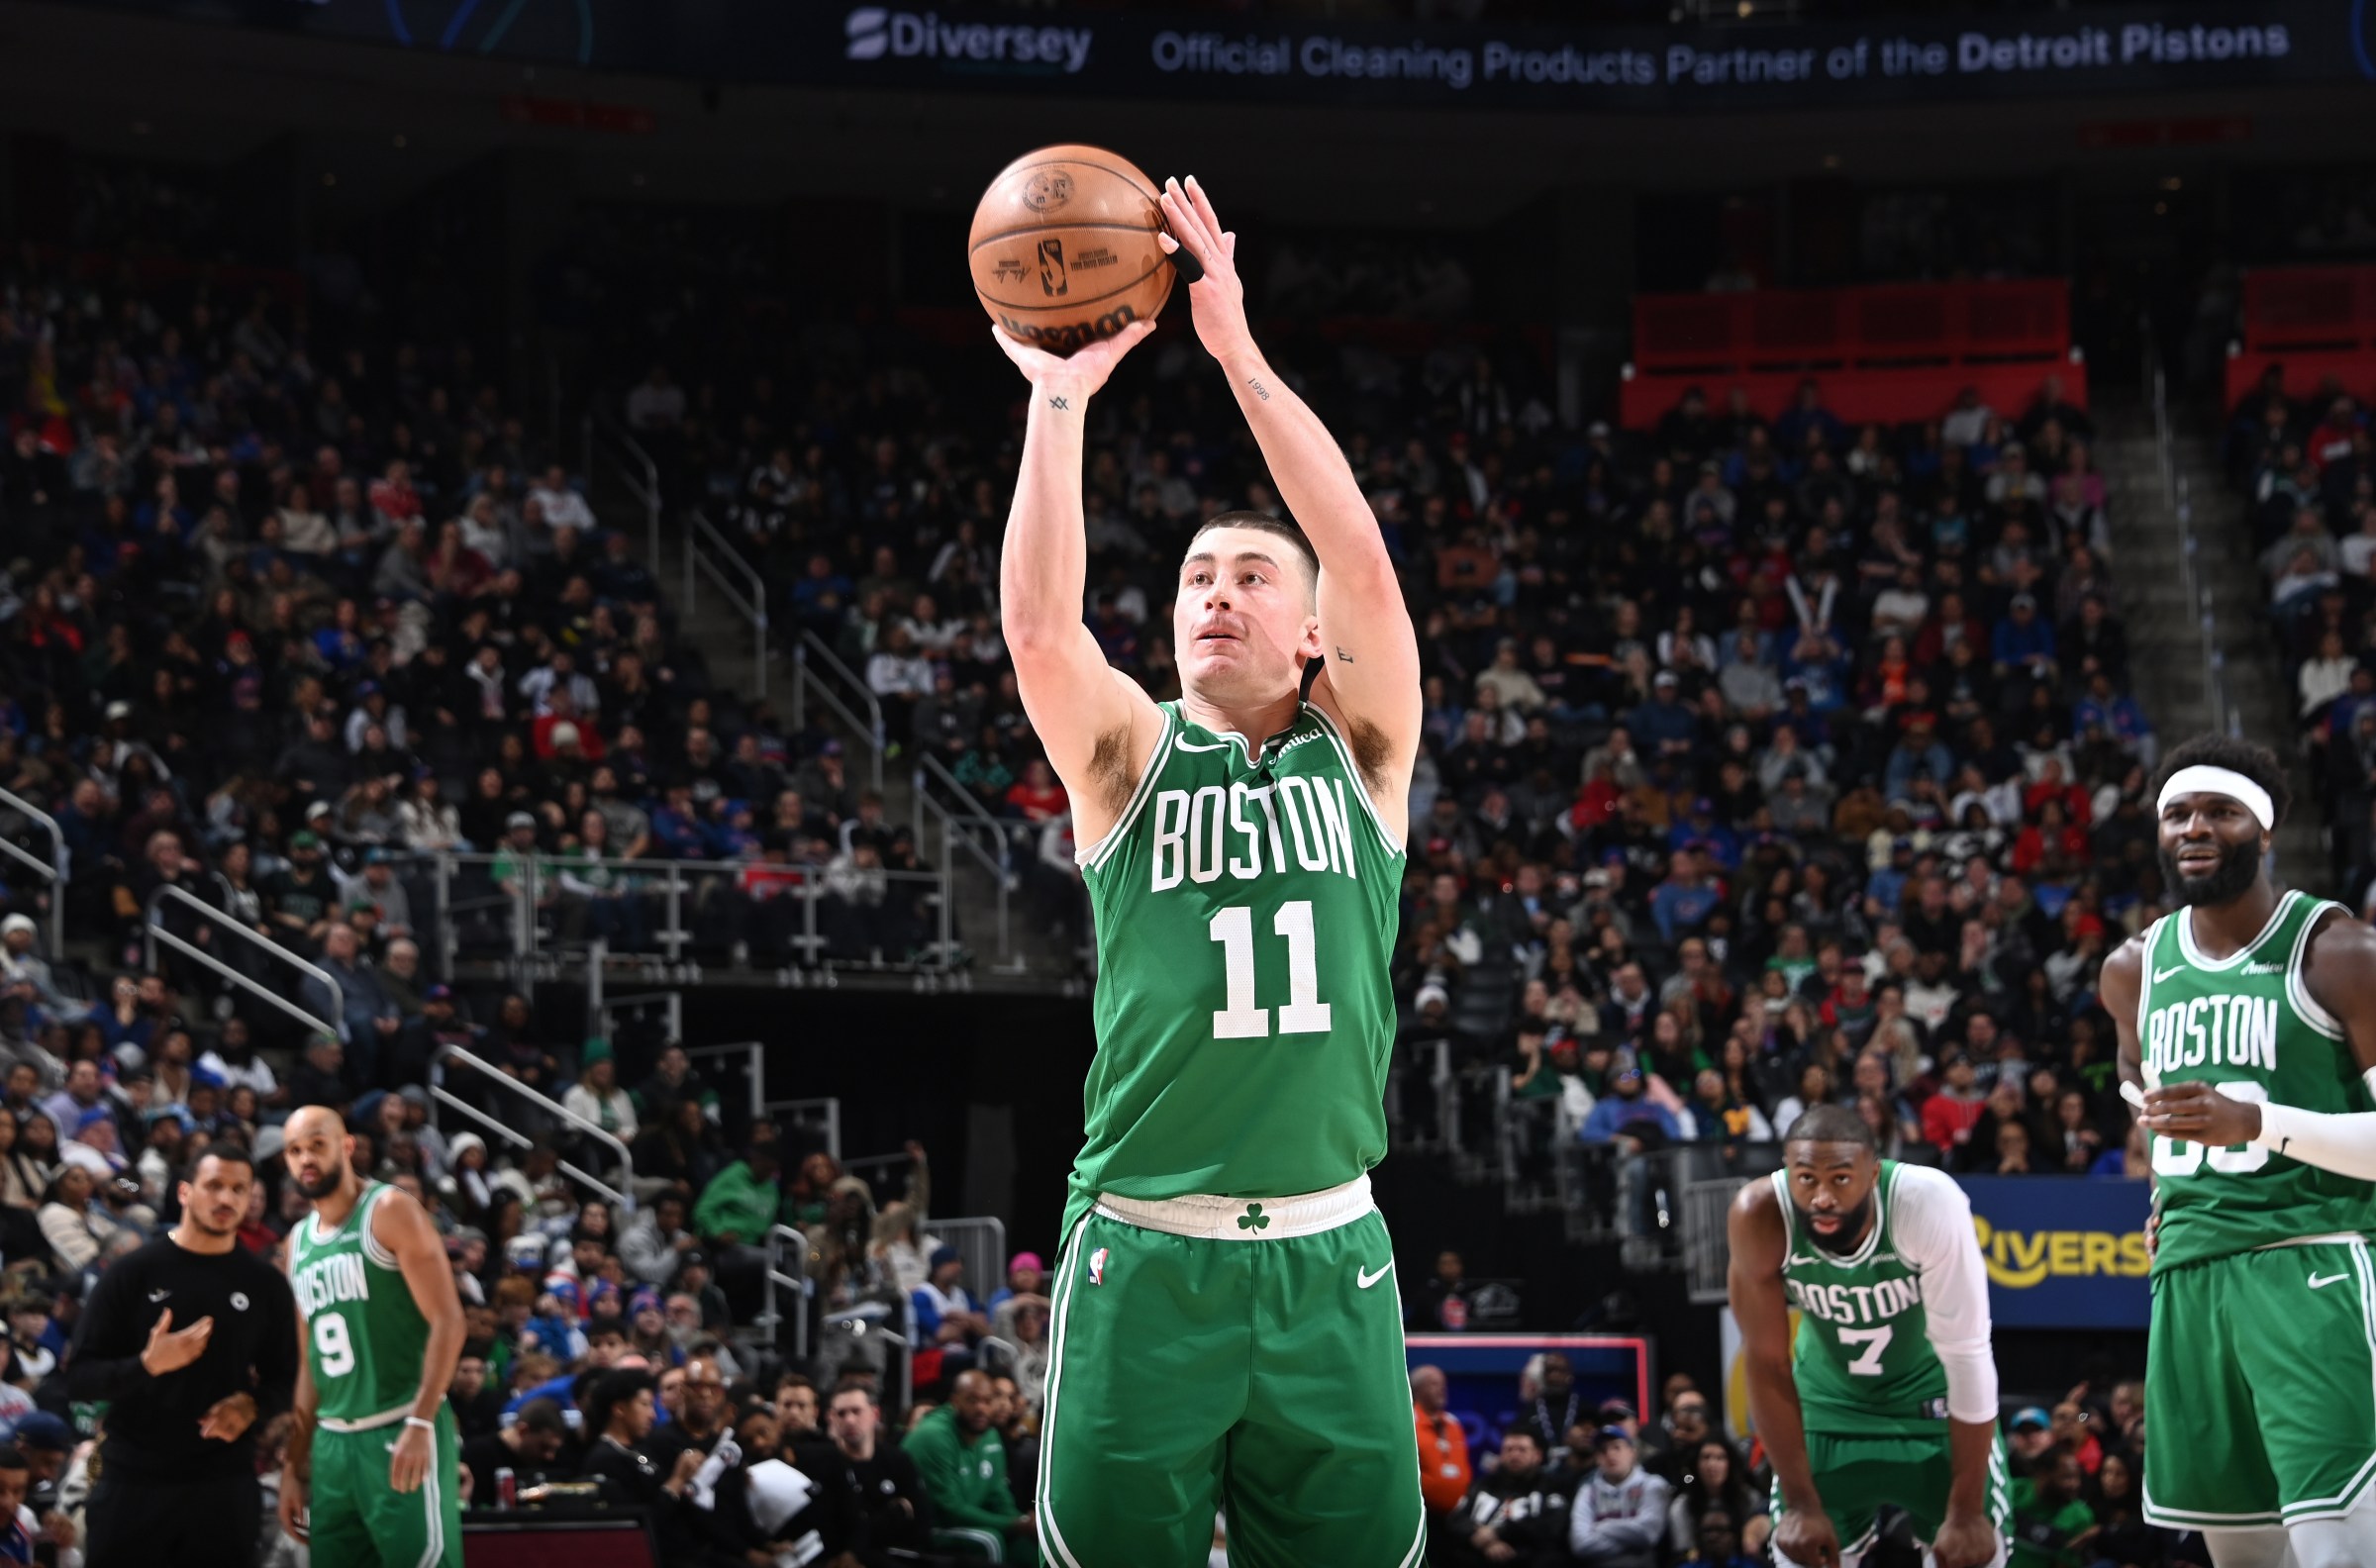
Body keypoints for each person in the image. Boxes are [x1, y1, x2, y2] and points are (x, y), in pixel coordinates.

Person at [996, 175, 1426, 1565]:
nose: (1217, 594)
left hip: (1327, 1249)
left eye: (1249, 576)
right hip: (1147, 1246)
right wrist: (1057, 401)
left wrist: (1234, 347)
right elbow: (1040, 632)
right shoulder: (1129, 754)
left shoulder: (1364, 748)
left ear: (1310, 633)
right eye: (1195, 579)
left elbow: (1360, 556)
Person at [2101, 736, 2376, 1562]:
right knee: (2244, 1558)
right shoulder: (2133, 969)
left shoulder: (2341, 953)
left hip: (2314, 1264)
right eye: (2178, 814)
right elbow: (2141, 1095)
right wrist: (2168, 1193)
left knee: (2339, 1551)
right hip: (2190, 1278)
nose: (2195, 828)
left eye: (2221, 811)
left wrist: (2258, 1124)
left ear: (2264, 830)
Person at [1728, 1104, 2009, 1568]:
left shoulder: (1926, 1202)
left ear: (1873, 1174)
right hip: (1827, 1410)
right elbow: (1765, 1361)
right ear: (1787, 1172)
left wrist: (1965, 1510)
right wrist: (1800, 1504)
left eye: (1840, 1178)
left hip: (1932, 1409)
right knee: (1799, 1553)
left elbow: (1968, 1352)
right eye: (1806, 1179)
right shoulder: (1759, 1214)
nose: (1822, 1197)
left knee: (1975, 1554)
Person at [67, 1147, 300, 1567]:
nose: (226, 1198)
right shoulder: (132, 1272)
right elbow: (80, 1376)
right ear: (184, 1192)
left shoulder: (264, 1283)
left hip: (223, 1485)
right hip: (134, 1481)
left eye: (239, 1189)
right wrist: (146, 1365)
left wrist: (253, 1406)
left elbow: (288, 1377)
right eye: (214, 1186)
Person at [277, 1104, 467, 1566]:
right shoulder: (296, 1243)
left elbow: (449, 1321)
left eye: (317, 1145)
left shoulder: (389, 1210)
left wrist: (421, 1422)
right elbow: (309, 1364)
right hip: (332, 1444)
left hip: (399, 1426)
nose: (306, 1159)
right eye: (295, 1151)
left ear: (346, 1146)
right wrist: (293, 1465)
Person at [905, 1369, 1033, 1562]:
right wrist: (1013, 1524)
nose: (981, 1408)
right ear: (955, 1402)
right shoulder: (934, 1435)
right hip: (933, 1528)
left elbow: (998, 1495)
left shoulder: (990, 1434)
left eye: (987, 1401)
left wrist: (1023, 1522)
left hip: (968, 1522)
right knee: (990, 1541)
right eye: (972, 1400)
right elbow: (951, 1510)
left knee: (1030, 1543)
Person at [1447, 1427, 1569, 1567]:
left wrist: (1498, 1532)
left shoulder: (1551, 1487)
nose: (1514, 1455)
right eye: (1509, 1449)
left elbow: (1552, 1529)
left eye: (1522, 1450)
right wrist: (1482, 1538)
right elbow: (1455, 1519)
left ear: (1538, 1455)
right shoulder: (1484, 1484)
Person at [1569, 1426, 1673, 1568]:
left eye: (1616, 1447)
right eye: (1603, 1450)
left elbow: (1648, 1533)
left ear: (1632, 1452)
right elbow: (1581, 1544)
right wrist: (1633, 1543)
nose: (1610, 1454)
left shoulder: (1652, 1485)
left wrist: (1603, 1527)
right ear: (1597, 1458)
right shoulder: (1587, 1491)